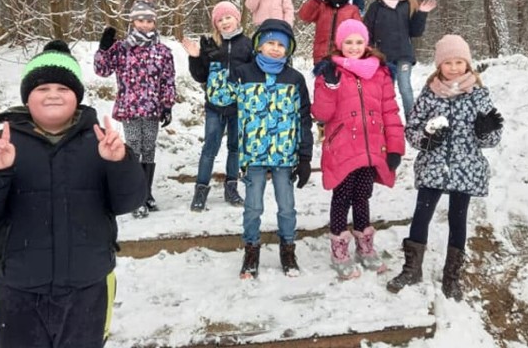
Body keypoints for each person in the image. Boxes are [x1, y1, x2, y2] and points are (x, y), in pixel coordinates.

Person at [0, 39, 148, 348]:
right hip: (17, 290)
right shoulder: (1, 142)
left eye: (63, 88)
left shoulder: (101, 141)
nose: (53, 94)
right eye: (42, 89)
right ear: (27, 98)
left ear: (77, 97)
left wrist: (119, 162)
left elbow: (131, 201)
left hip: (87, 287)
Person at [386, 34, 503, 301]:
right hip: (433, 166)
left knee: (457, 219)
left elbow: (494, 137)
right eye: (448, 62)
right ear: (439, 65)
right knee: (421, 215)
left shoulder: (479, 95)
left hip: (466, 168)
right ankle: (411, 269)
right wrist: (426, 139)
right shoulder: (430, 94)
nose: (453, 67)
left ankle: (452, 277)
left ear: (468, 64)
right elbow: (412, 129)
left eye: (459, 61)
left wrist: (486, 132)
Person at [209, 18, 313, 279]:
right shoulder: (244, 73)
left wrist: (304, 156)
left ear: (288, 50)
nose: (275, 48)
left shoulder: (294, 79)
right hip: (253, 155)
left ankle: (287, 250)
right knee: (253, 207)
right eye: (270, 43)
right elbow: (219, 97)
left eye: (281, 45)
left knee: (286, 207)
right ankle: (251, 249)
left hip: (284, 156)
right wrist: (216, 64)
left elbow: (303, 119)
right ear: (259, 45)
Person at [311, 20, 405, 280]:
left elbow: (390, 111)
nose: (354, 47)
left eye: (359, 42)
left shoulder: (381, 72)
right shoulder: (330, 71)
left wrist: (395, 147)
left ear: (367, 44)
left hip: (372, 148)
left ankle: (365, 246)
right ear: (340, 44)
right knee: (341, 198)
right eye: (348, 42)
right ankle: (339, 250)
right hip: (343, 147)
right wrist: (329, 86)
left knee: (362, 195)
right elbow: (321, 113)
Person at [93, 0, 177, 218]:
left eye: (149, 21)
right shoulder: (122, 49)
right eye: (140, 21)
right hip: (129, 107)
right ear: (133, 22)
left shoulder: (162, 51)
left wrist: (167, 104)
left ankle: (146, 193)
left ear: (154, 23)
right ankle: (135, 196)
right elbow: (102, 70)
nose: (144, 25)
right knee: (134, 148)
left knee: (149, 148)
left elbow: (168, 79)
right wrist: (103, 49)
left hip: (152, 109)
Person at [182, 1, 255, 211]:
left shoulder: (247, 45)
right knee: (210, 148)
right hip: (214, 106)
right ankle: (200, 190)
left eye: (228, 17)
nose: (224, 22)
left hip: (237, 106)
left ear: (237, 18)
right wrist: (195, 57)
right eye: (220, 19)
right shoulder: (211, 44)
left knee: (235, 148)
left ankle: (231, 188)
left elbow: (254, 73)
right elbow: (200, 76)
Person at [363, 0, 437, 121]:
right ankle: (386, 120)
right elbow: (367, 29)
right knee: (386, 90)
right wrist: (368, 49)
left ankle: (411, 121)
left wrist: (422, 13)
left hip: (404, 55)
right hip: (383, 56)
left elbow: (416, 32)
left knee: (405, 88)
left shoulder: (408, 3)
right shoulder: (376, 6)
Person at [298, 0, 362, 65]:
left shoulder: (352, 10)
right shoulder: (321, 6)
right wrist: (317, 0)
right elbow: (304, 15)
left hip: (343, 57)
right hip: (321, 56)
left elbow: (359, 33)